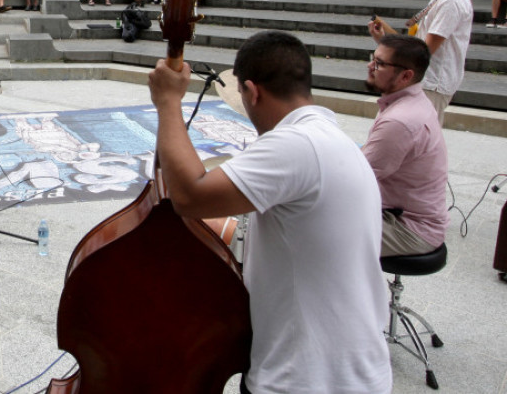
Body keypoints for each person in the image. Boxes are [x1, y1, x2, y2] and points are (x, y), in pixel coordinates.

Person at [147, 31, 391, 394]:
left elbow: (190, 197)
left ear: (252, 91)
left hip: (306, 380)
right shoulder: (328, 138)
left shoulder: (296, 145)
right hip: (351, 371)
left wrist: (168, 102)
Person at [363, 35, 449, 257]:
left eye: (379, 63)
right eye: (373, 58)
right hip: (403, 215)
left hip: (408, 229)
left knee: (307, 226)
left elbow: (355, 176)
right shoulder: (413, 101)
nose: (370, 66)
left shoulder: (400, 121)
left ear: (406, 76)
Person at [368, 0, 472, 124]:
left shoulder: (452, 1)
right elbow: (419, 45)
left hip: (429, 84)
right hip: (423, 81)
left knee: (405, 133)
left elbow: (424, 51)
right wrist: (385, 40)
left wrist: (387, 47)